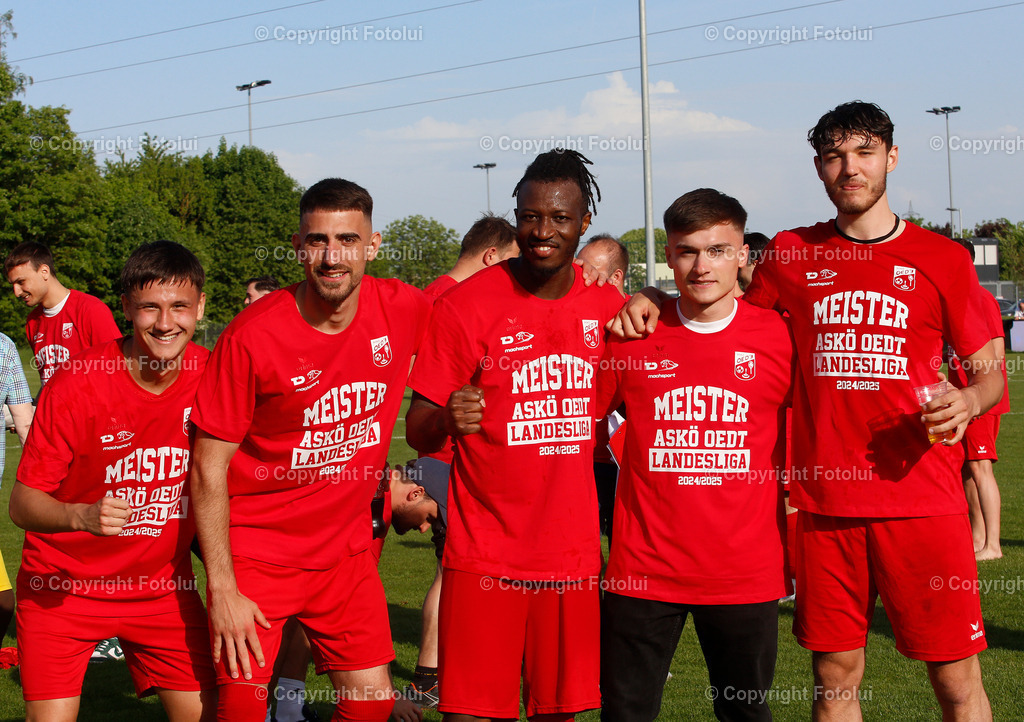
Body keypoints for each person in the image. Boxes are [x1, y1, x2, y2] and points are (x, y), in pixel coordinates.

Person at [612, 101, 1002, 720]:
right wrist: (652, 294)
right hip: (824, 508)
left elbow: (989, 371)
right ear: (819, 169)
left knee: (956, 677)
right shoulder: (792, 254)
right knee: (834, 676)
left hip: (922, 501)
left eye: (864, 153)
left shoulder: (944, 258)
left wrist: (970, 399)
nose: (850, 168)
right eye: (834, 156)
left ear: (891, 159)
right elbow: (724, 304)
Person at [189, 178, 431, 721]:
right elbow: (207, 466)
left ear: (373, 245)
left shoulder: (404, 307)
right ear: (298, 246)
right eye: (318, 240)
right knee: (242, 710)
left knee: (371, 703)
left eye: (347, 239)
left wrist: (614, 292)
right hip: (258, 553)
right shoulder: (252, 335)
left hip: (345, 555)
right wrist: (222, 587)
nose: (331, 256)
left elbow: (482, 295)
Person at [406, 149, 623, 721]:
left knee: (559, 712)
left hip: (571, 556)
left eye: (559, 218)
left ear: (583, 224)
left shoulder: (607, 305)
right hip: (484, 553)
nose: (543, 231)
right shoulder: (464, 305)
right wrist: (447, 418)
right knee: (471, 714)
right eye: (530, 217)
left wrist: (647, 298)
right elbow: (418, 430)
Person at [597, 189, 792, 721]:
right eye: (687, 252)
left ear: (743, 255)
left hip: (744, 571)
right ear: (669, 255)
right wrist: (643, 296)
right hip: (643, 569)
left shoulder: (779, 336)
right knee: (625, 713)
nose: (702, 266)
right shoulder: (635, 333)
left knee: (745, 714)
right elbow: (572, 423)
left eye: (718, 250)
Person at [8, 240, 216, 721]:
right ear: (125, 307)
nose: (165, 323)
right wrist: (80, 513)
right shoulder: (77, 382)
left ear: (200, 307)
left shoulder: (214, 374)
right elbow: (22, 504)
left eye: (180, 306)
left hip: (163, 590)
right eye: (149, 307)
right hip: (62, 589)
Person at [403, 214, 517, 710]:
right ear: (492, 257)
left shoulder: (429, 294)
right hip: (449, 456)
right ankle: (431, 676)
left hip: (438, 454)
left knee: (457, 571)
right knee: (456, 571)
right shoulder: (451, 300)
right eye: (511, 263)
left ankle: (445, 672)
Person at [947, 241, 1008, 561]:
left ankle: (994, 545)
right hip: (964, 397)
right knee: (969, 469)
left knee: (982, 468)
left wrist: (976, 393)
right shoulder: (962, 297)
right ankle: (979, 537)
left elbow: (997, 352)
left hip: (981, 401)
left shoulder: (981, 299)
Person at [5, 241, 121, 385]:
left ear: (44, 272)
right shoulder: (32, 322)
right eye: (13, 285)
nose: (16, 292)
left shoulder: (90, 309)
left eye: (21, 282)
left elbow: (118, 371)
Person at [576, 234, 629, 541]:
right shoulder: (579, 312)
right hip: (580, 454)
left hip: (620, 457)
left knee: (625, 543)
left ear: (616, 276)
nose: (583, 272)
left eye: (590, 267)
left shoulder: (641, 320)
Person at [0, 332, 33, 638]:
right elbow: (23, 424)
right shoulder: (4, 346)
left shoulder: (5, 347)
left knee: (3, 604)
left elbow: (23, 422)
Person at [422, 214, 519, 300]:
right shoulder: (442, 298)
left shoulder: (450, 293)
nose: (511, 273)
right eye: (510, 263)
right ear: (490, 256)